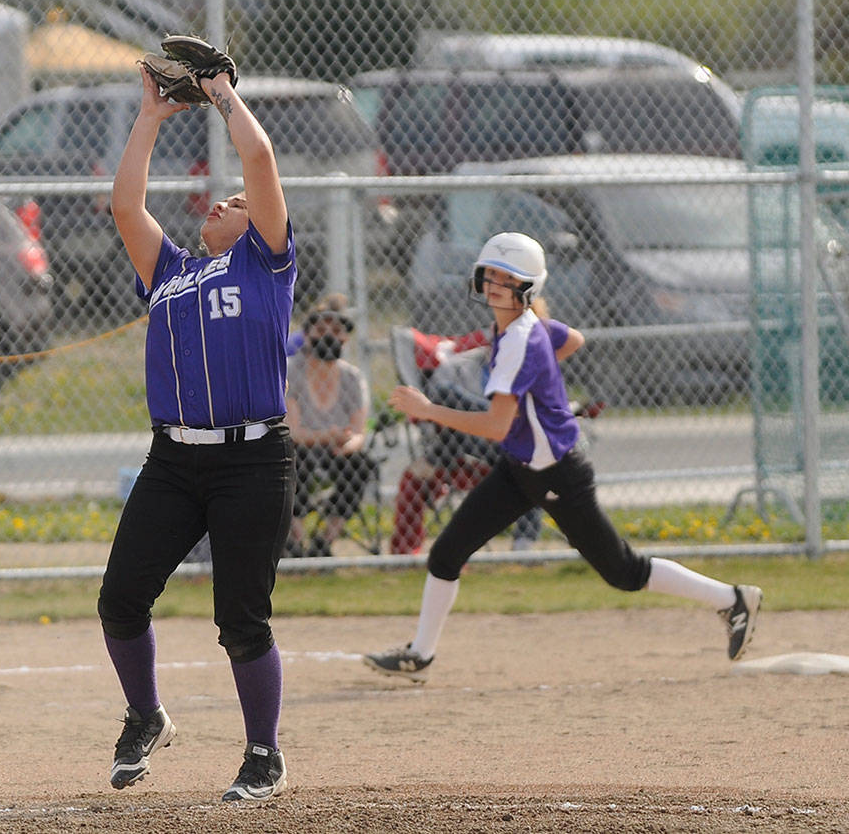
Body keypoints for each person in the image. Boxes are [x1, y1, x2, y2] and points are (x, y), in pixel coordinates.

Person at [363, 232, 762, 682]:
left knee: (625, 571)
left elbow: (495, 425)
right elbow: (573, 339)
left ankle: (732, 600)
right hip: (520, 467)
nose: (494, 284)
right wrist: (541, 377)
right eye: (489, 273)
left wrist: (428, 410)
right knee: (447, 553)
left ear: (528, 288)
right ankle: (421, 654)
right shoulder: (519, 329)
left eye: (507, 278)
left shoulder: (518, 340)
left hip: (557, 471)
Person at [98, 60, 295, 802]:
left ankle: (264, 754)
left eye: (237, 203)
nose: (223, 202)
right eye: (218, 200)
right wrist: (150, 115)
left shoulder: (267, 266)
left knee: (240, 619)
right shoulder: (173, 271)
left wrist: (220, 92)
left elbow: (260, 158)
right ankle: (146, 714)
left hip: (253, 461)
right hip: (173, 460)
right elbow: (125, 207)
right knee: (120, 599)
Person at [388, 328, 544, 556]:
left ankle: (523, 546)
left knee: (530, 464)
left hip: (505, 448)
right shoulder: (457, 367)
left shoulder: (526, 372)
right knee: (445, 394)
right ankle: (405, 553)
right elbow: (435, 412)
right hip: (464, 443)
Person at [286, 304, 373, 558]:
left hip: (336, 448)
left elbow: (359, 432)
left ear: (345, 338)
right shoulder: (292, 370)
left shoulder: (352, 377)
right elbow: (293, 431)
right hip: (301, 447)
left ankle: (324, 541)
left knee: (360, 465)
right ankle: (295, 542)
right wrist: (327, 435)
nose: (328, 336)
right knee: (294, 460)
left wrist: (347, 443)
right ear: (308, 334)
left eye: (336, 330)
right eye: (320, 329)